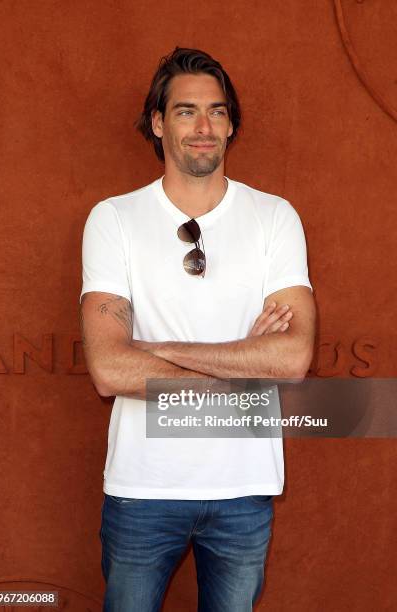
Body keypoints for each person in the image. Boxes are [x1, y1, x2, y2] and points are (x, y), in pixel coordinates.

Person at [80, 47, 316, 612]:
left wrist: (151, 349)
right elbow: (110, 369)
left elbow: (291, 360)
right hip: (143, 490)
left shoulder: (275, 217)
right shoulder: (113, 219)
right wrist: (244, 367)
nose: (204, 127)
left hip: (243, 489)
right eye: (186, 111)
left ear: (232, 123)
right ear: (159, 123)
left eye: (216, 111)